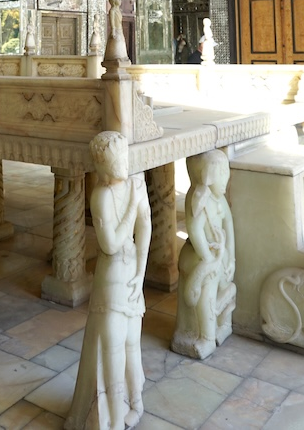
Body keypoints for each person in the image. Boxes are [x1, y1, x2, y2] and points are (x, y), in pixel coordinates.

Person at [65, 131, 151, 430]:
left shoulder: (134, 184)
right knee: (112, 348)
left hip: (130, 276)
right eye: (117, 161)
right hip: (111, 277)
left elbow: (146, 226)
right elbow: (111, 244)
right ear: (102, 166)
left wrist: (140, 275)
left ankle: (135, 402)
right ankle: (112, 417)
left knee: (132, 344)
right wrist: (132, 204)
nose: (123, 164)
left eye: (124, 157)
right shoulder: (101, 195)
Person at [171, 149, 236, 360]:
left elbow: (229, 223)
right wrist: (208, 258)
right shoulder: (199, 197)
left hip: (219, 254)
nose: (226, 177)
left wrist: (231, 257)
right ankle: (206, 337)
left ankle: (222, 324)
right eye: (222, 172)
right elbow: (195, 229)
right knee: (205, 295)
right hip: (201, 255)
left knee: (220, 287)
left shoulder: (219, 199)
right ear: (208, 174)